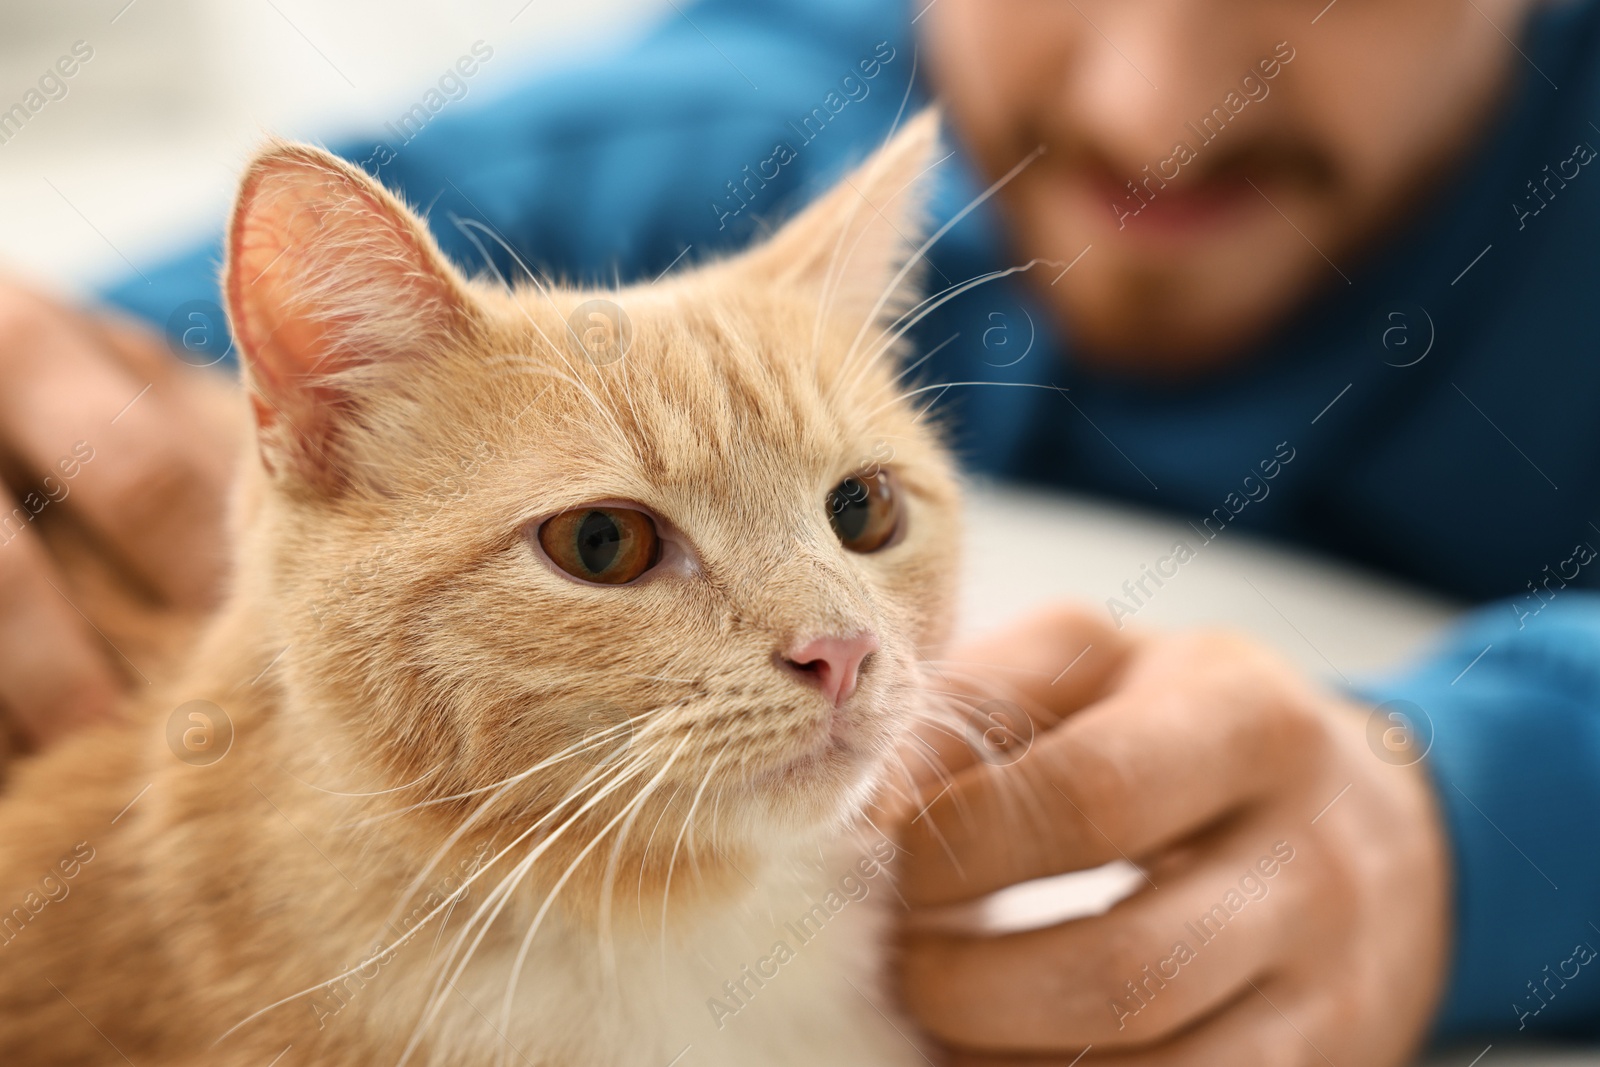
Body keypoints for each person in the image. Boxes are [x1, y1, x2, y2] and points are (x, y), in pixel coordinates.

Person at [3, 0, 1599, 1060]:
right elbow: (120, 362)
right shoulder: (773, 119)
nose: (1154, 103)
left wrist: (1463, 815)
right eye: (616, 545)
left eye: (859, 512)